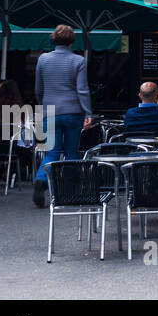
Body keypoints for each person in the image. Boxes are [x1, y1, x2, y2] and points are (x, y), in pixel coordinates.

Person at [32, 26, 94, 207]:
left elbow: (38, 87)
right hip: (73, 111)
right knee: (71, 152)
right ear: (71, 41)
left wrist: (43, 104)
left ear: (53, 39)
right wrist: (88, 112)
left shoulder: (42, 59)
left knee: (51, 151)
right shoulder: (79, 60)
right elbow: (82, 89)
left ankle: (41, 179)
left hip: (49, 111)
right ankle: (69, 191)